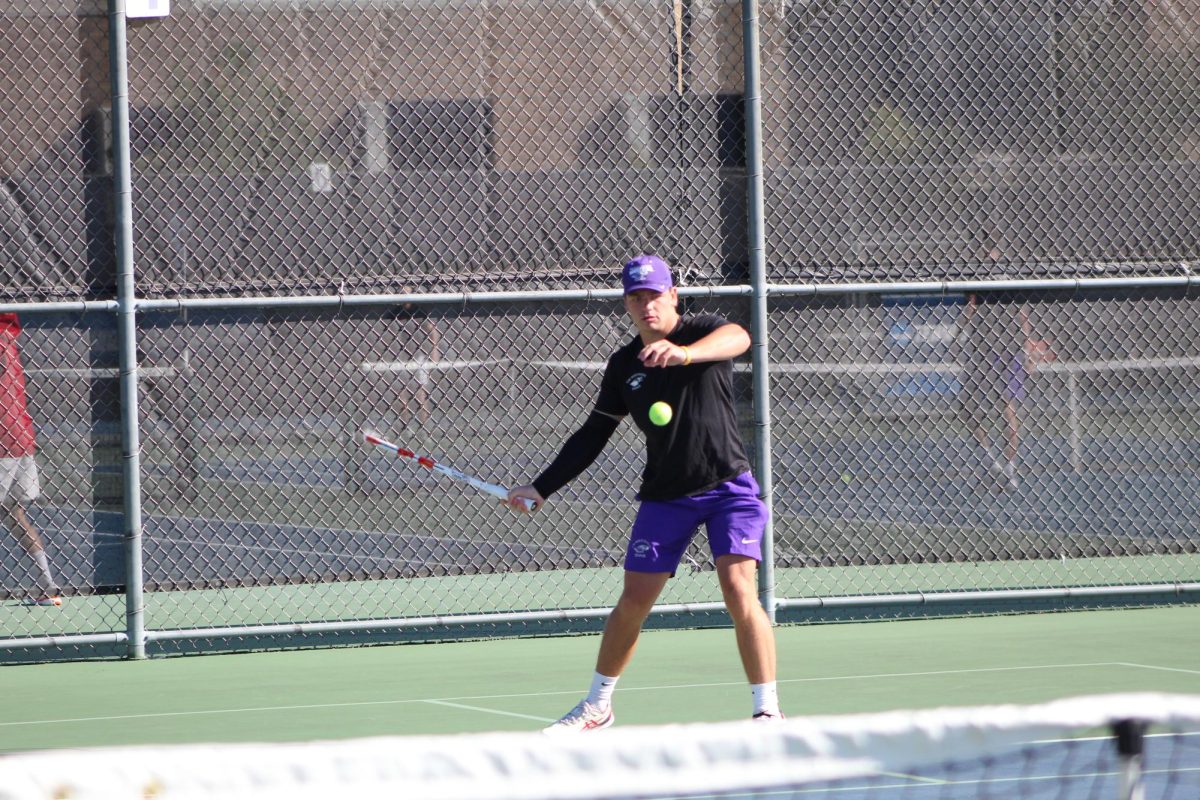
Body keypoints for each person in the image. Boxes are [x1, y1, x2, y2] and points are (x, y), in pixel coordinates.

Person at [505, 254, 782, 732]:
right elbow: (594, 433)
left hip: (728, 489)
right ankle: (598, 706)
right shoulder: (623, 365)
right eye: (636, 297)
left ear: (672, 295)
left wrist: (685, 354)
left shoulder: (702, 330)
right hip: (665, 497)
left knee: (739, 590)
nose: (646, 305)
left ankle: (767, 709)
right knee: (633, 600)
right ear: (627, 304)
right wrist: (542, 486)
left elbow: (740, 336)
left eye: (654, 295)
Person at [0, 313, 61, 606]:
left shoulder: (2, 342)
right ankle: (48, 584)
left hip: (5, 441)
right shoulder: (10, 341)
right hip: (20, 437)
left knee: (13, 513)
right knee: (14, 514)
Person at [957, 292, 1031, 492]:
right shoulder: (974, 273)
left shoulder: (1008, 273)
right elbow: (970, 308)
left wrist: (1026, 348)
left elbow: (1022, 312)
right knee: (967, 407)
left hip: (1005, 349)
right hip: (982, 350)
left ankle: (1009, 469)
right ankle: (992, 464)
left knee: (1006, 406)